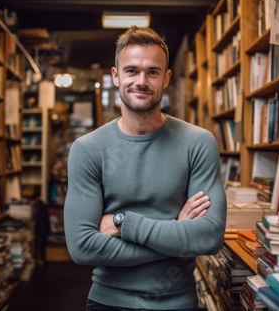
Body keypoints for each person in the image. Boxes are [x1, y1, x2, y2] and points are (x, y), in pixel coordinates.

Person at [64, 26, 226, 310]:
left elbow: (208, 237)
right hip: (107, 302)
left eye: (152, 72)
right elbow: (81, 247)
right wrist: (176, 234)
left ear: (166, 79)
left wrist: (123, 223)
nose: (141, 81)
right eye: (131, 71)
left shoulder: (198, 142)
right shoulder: (87, 149)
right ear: (116, 76)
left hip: (178, 303)